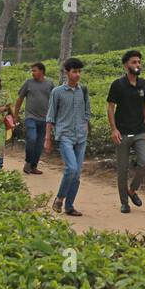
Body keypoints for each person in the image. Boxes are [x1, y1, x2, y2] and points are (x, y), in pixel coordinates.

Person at [107, 49, 145, 214]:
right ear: (126, 65)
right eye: (134, 62)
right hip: (123, 133)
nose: (137, 65)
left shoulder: (143, 84)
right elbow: (111, 107)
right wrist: (114, 129)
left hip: (140, 131)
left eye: (139, 62)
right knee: (122, 169)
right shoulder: (118, 85)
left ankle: (132, 190)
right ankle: (124, 202)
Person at [44, 58, 89, 217]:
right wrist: (47, 139)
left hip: (81, 137)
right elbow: (50, 116)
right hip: (64, 135)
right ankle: (60, 198)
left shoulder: (83, 90)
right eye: (74, 71)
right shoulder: (57, 92)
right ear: (66, 72)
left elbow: (87, 112)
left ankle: (69, 206)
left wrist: (86, 127)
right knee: (71, 168)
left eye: (79, 71)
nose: (77, 75)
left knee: (77, 174)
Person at [13, 62, 55, 175]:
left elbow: (54, 102)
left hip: (45, 119)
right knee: (32, 138)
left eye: (34, 70)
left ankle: (34, 166)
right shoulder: (28, 83)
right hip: (30, 117)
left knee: (39, 144)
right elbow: (20, 99)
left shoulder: (50, 84)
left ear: (42, 71)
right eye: (32, 71)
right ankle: (28, 161)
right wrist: (15, 115)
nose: (33, 73)